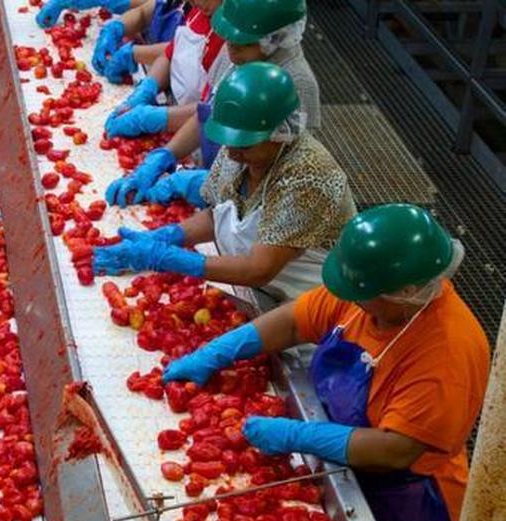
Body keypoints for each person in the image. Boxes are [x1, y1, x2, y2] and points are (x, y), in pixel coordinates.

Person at [162, 204, 489, 521]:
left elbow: (397, 449)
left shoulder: (447, 352)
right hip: (350, 468)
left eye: (361, 291)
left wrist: (299, 434)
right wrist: (218, 351)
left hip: (412, 503)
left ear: (404, 292)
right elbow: (296, 321)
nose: (349, 296)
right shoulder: (370, 296)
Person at [93, 62, 352, 303]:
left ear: (279, 134)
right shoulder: (242, 150)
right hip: (260, 290)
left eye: (243, 145)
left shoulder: (308, 178)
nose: (230, 153)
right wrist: (168, 237)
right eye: (227, 140)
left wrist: (174, 260)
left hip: (312, 304)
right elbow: (221, 212)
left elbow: (259, 269)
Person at [105, 0, 319, 205]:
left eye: (241, 44)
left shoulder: (297, 85)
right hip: (219, 175)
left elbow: (280, 177)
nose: (230, 51)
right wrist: (166, 155)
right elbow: (208, 111)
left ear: (274, 39)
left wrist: (208, 184)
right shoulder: (237, 54)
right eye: (229, 40)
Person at [101, 0, 226, 141]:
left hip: (194, 133)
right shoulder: (199, 13)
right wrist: (148, 87)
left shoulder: (229, 45)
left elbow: (212, 109)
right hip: (175, 108)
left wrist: (157, 118)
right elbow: (171, 53)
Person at [91, 0, 186, 82]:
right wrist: (117, 27)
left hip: (180, 81)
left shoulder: (198, 7)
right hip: (157, 68)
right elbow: (143, 13)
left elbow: (186, 50)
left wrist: (135, 54)